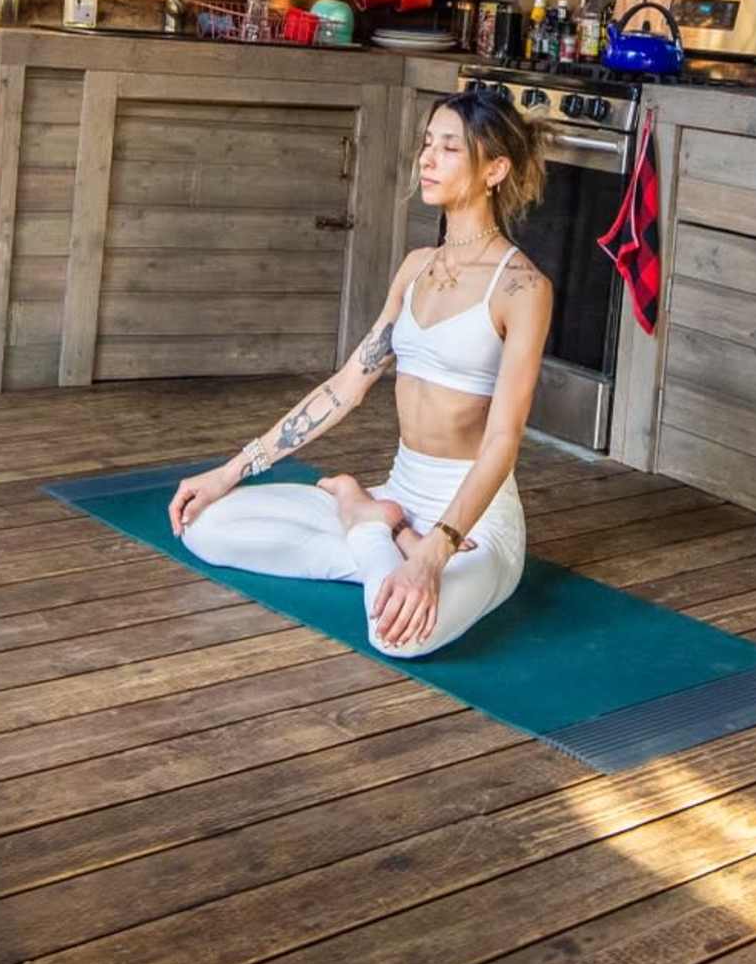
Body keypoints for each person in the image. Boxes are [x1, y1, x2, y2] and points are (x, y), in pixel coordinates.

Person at [169, 89, 549, 656]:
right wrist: (230, 472)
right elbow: (346, 387)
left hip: (473, 522)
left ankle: (369, 521)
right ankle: (382, 527)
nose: (427, 159)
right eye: (427, 144)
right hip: (400, 489)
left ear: (494, 170)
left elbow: (503, 440)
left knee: (401, 639)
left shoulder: (522, 288)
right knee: (205, 525)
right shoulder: (417, 268)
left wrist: (432, 552)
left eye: (449, 148)